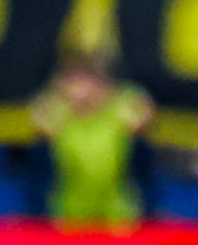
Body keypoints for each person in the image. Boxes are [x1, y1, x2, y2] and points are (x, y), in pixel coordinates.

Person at [29, 50, 155, 227]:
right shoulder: (58, 114)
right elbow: (38, 119)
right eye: (74, 82)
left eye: (88, 81)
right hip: (68, 213)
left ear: (102, 83)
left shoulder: (120, 110)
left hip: (118, 213)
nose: (82, 90)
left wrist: (111, 96)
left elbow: (145, 114)